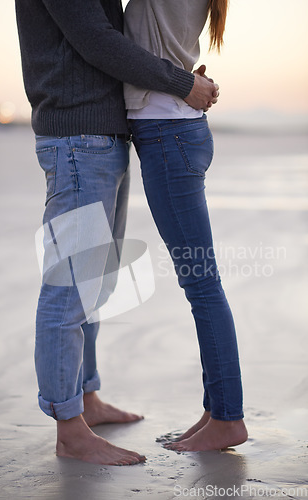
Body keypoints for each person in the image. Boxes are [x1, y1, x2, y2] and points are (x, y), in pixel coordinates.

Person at [15, 0, 219, 465]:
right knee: (68, 288)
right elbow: (97, 40)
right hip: (77, 138)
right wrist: (182, 83)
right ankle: (70, 429)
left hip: (100, 135)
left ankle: (85, 399)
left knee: (94, 283)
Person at [124, 0, 248, 451]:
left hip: (167, 133)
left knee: (201, 284)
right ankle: (217, 409)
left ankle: (228, 418)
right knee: (202, 282)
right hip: (176, 130)